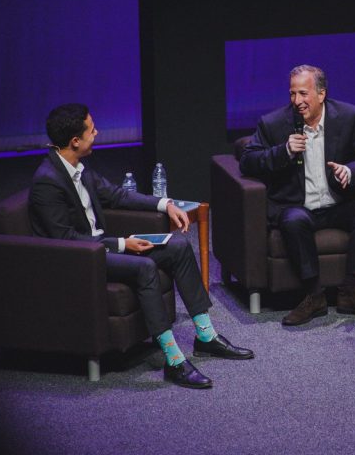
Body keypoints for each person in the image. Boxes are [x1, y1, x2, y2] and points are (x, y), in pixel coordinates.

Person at [29, 103, 253, 389]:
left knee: (179, 247)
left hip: (101, 247)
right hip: (80, 259)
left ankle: (206, 337)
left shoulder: (78, 167)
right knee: (145, 267)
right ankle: (174, 361)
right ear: (75, 141)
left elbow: (117, 196)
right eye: (92, 129)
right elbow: (65, 240)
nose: (96, 133)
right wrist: (123, 244)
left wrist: (165, 204)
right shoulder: (47, 183)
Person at [240, 65, 355, 326]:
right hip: (298, 206)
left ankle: (351, 290)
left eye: (303, 94)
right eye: (293, 94)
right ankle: (314, 295)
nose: (297, 101)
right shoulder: (273, 123)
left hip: (339, 202)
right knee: (293, 220)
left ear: (321, 94)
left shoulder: (349, 116)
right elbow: (247, 161)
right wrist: (282, 152)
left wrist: (351, 171)